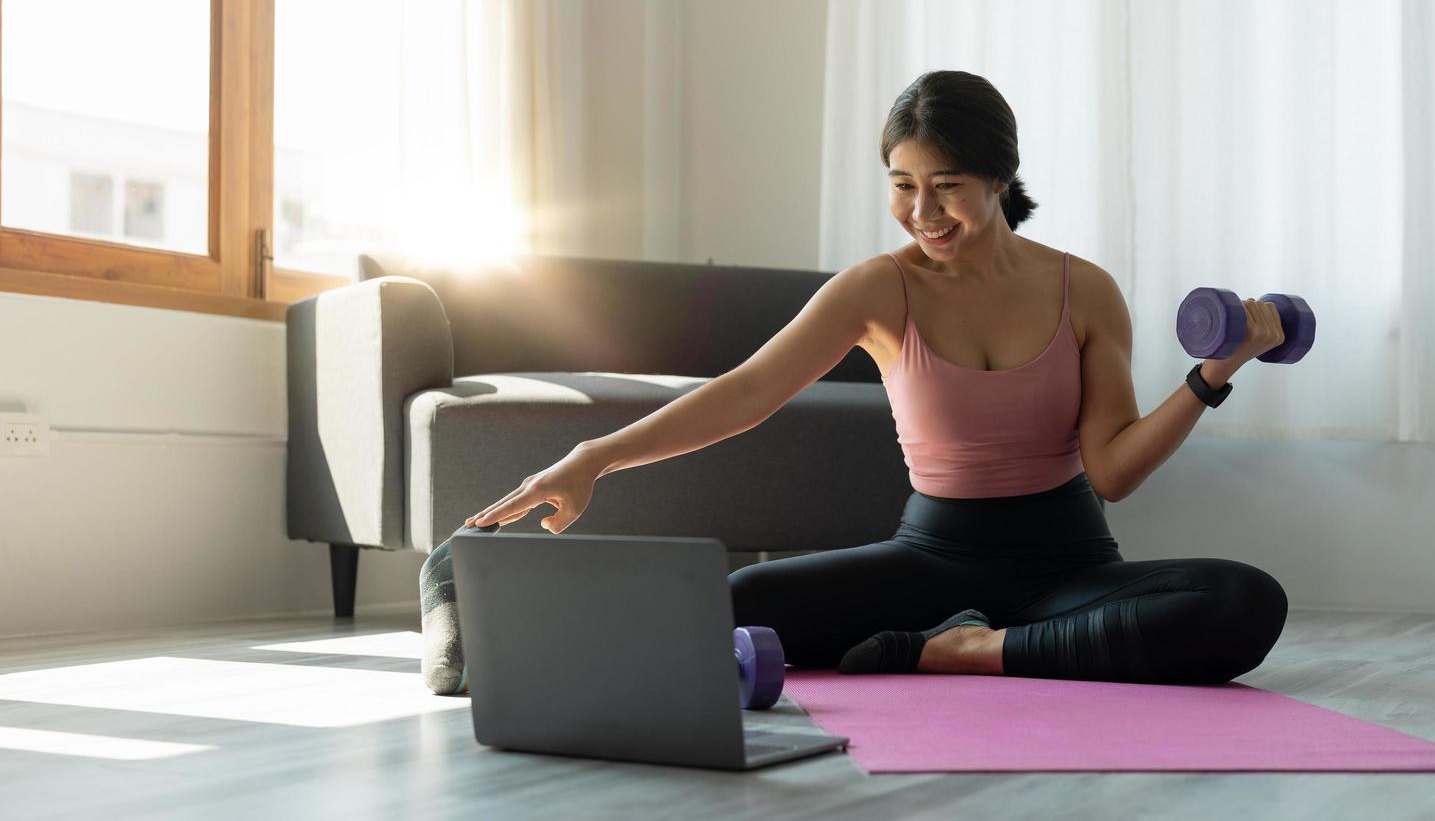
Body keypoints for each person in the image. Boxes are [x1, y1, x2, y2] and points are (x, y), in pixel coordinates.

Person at [421, 69, 1289, 695]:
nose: (923, 212)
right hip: (929, 561)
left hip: (1068, 564)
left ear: (1000, 177)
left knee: (1242, 603)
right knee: (739, 604)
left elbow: (1113, 473)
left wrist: (1213, 374)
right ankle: (477, 608)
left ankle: (962, 654)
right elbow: (746, 393)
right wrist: (592, 456)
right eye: (902, 186)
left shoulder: (1083, 288)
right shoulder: (880, 288)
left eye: (946, 187)